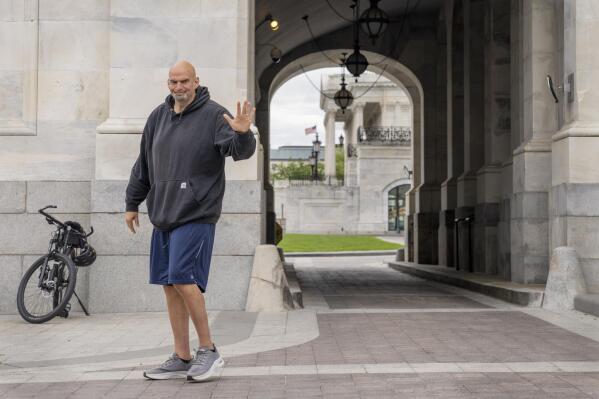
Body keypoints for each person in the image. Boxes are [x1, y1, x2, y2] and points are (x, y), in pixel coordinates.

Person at [124, 60, 256, 382]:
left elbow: (241, 151)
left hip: (196, 214)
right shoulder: (158, 117)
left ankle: (208, 351)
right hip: (163, 214)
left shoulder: (214, 115)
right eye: (173, 82)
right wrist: (132, 202)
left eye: (184, 81)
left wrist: (243, 134)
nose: (178, 87)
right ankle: (182, 356)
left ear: (196, 81)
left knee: (184, 279)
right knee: (169, 285)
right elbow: (144, 163)